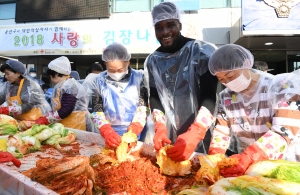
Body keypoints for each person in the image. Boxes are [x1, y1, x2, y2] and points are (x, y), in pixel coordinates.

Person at [207, 44, 300, 177]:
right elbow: (222, 130)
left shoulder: (282, 87)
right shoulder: (226, 97)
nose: (227, 82)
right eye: (221, 79)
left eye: (231, 76)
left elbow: (284, 131)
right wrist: (215, 156)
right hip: (250, 170)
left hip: (286, 166)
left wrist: (250, 156)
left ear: (247, 64)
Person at [145, 2, 218, 162]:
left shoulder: (201, 51)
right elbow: (155, 96)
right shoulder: (153, 60)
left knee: (201, 172)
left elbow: (210, 95)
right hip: (169, 135)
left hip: (201, 131)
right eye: (159, 27)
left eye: (170, 25)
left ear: (180, 24)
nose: (165, 32)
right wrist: (159, 127)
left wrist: (197, 131)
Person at [84, 42, 149, 148]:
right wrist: (106, 131)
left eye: (120, 70)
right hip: (109, 129)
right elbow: (97, 110)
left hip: (136, 129)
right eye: (111, 70)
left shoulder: (139, 78)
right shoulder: (98, 81)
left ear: (128, 62)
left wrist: (135, 127)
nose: (116, 74)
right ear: (105, 64)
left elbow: (143, 107)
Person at [34, 56, 95, 132]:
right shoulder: (61, 85)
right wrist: (48, 115)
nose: (51, 80)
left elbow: (66, 109)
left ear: (56, 73)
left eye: (50, 77)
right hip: (66, 123)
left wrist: (48, 119)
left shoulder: (70, 85)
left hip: (77, 123)